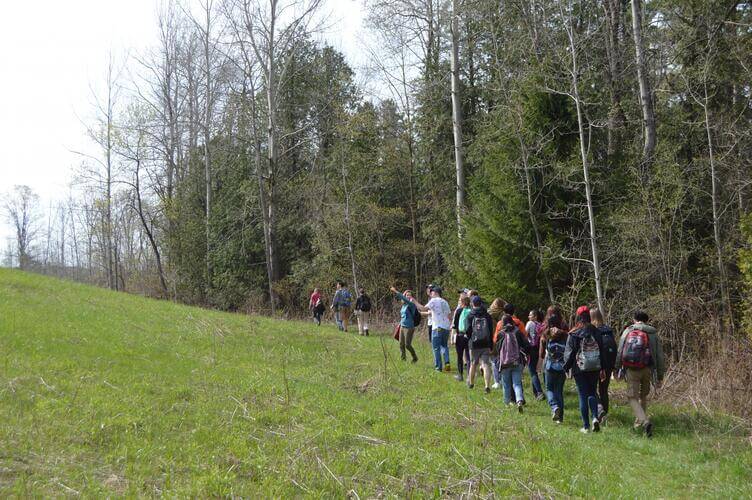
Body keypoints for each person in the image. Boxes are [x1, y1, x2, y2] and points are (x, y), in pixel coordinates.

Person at [616, 310, 665, 438]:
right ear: (647, 321)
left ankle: (644, 421)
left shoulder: (628, 331)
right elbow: (659, 356)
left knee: (632, 397)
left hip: (632, 369)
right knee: (643, 396)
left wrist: (616, 368)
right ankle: (639, 422)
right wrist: (660, 376)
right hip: (647, 368)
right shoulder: (653, 333)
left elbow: (620, 350)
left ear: (634, 319)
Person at [563, 306, 607, 433]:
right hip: (594, 367)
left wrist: (566, 367)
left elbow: (570, 353)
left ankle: (586, 426)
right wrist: (602, 368)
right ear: (589, 316)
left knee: (582, 395)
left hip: (579, 367)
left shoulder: (574, 332)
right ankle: (594, 418)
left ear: (578, 317)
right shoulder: (596, 332)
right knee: (592, 393)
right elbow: (602, 351)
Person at [497, 314, 531, 412]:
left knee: (506, 384)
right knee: (517, 383)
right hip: (517, 361)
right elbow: (526, 345)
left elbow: (498, 348)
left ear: (503, 323)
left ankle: (507, 403)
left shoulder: (501, 333)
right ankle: (519, 400)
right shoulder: (517, 332)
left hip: (505, 363)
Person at [414, 286, 453, 372]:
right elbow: (449, 316)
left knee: (436, 348)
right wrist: (451, 326)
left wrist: (414, 301)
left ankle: (438, 367)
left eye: (431, 292)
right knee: (444, 346)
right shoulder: (445, 302)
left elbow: (423, 308)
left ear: (435, 293)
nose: (430, 293)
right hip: (446, 328)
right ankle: (447, 363)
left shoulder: (434, 301)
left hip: (437, 328)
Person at [540, 312, 568, 423]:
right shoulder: (565, 334)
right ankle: (560, 418)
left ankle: (554, 407)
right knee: (559, 391)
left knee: (549, 389)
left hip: (550, 366)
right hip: (562, 366)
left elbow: (542, 353)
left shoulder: (546, 334)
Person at [590, 307, 617, 420]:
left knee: (591, 388)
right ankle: (605, 412)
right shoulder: (608, 330)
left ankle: (600, 410)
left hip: (597, 364)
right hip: (609, 364)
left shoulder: (593, 330)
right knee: (604, 389)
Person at [466, 295, 494, 393]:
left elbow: (468, 330)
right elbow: (491, 330)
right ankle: (487, 386)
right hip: (486, 343)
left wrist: (470, 339)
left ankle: (471, 383)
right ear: (481, 303)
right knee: (485, 364)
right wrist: (491, 345)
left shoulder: (470, 315)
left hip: (474, 344)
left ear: (472, 304)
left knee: (473, 363)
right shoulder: (487, 315)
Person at [390, 287, 419, 363]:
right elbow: (403, 316)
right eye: (407, 295)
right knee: (401, 344)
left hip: (409, 327)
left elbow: (403, 298)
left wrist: (395, 291)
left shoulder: (411, 304)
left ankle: (415, 357)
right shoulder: (403, 305)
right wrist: (399, 325)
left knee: (407, 345)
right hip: (402, 326)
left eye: (410, 295)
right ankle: (403, 359)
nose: (408, 296)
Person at [525, 309, 545, 401]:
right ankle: (536, 394)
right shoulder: (540, 325)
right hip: (538, 349)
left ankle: (540, 392)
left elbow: (525, 334)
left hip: (531, 349)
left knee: (532, 372)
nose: (529, 317)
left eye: (530, 315)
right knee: (535, 371)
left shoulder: (530, 323)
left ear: (535, 316)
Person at [452, 294, 472, 381]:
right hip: (469, 336)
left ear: (462, 302)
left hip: (460, 336)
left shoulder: (459, 311)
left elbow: (455, 325)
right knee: (468, 357)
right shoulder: (472, 311)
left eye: (460, 301)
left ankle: (460, 375)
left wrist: (453, 336)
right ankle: (469, 376)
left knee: (459, 356)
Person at [488, 298, 506, 389]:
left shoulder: (488, 314)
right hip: (503, 339)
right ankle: (503, 380)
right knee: (502, 360)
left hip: (491, 339)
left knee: (493, 361)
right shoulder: (504, 315)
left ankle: (497, 381)